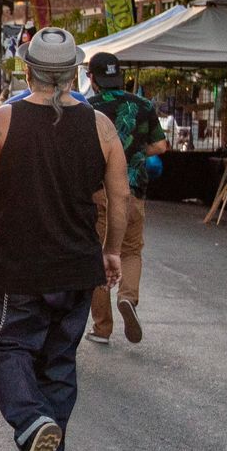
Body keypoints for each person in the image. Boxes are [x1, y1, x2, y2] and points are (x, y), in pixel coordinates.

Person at [0, 29, 129, 451]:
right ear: (75, 71)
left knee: (6, 352)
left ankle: (31, 422)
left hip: (20, 265)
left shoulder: (3, 122)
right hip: (78, 264)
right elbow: (119, 196)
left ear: (28, 70)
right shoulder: (101, 127)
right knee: (59, 358)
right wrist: (112, 249)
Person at [85, 53, 168, 346]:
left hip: (98, 192)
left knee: (98, 252)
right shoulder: (143, 106)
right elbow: (160, 145)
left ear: (91, 78)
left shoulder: (88, 108)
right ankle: (128, 297)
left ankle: (102, 327)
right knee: (131, 250)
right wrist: (132, 154)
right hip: (135, 191)